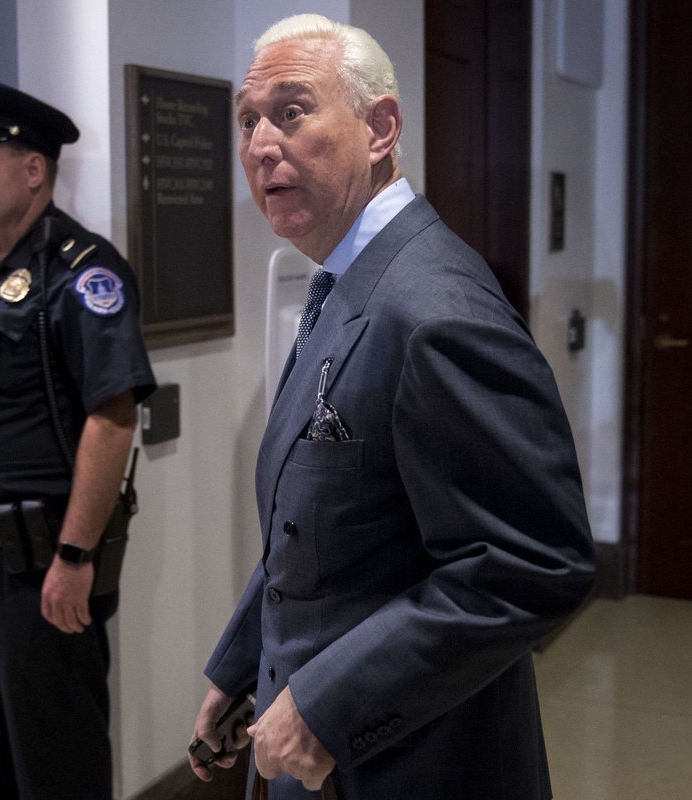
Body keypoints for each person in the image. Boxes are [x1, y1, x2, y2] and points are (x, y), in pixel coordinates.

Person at [188, 15, 595, 800]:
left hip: (414, 761)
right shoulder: (346, 285)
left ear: (380, 129)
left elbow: (534, 562)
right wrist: (245, 663)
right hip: (311, 744)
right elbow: (320, 525)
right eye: (248, 119)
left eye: (292, 111)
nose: (261, 143)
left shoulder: (436, 307)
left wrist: (323, 704)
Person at [0, 73, 155, 800]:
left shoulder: (83, 273)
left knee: (55, 761)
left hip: (39, 559)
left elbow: (113, 417)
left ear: (31, 170)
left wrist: (75, 555)